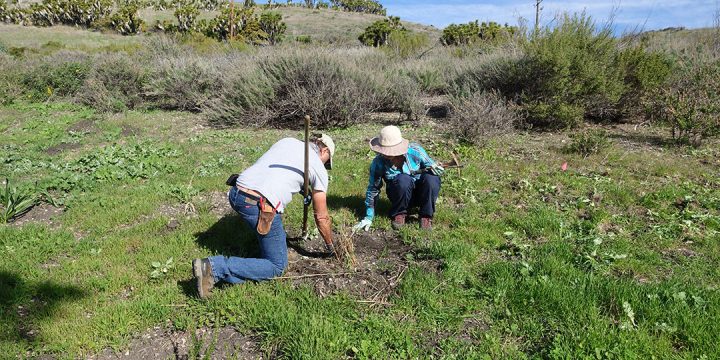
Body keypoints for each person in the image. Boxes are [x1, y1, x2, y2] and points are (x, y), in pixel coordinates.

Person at [192, 134, 336, 299]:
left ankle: (234, 266)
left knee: (274, 238)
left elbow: (275, 172)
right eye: (327, 160)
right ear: (324, 150)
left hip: (236, 192)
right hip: (257, 204)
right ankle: (214, 267)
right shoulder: (318, 166)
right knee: (276, 266)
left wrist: (305, 187)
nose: (325, 165)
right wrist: (330, 246)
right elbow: (321, 216)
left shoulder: (287, 141)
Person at [353, 125, 443, 232]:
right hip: (398, 195)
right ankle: (399, 213)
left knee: (432, 178)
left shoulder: (415, 151)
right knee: (403, 180)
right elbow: (373, 189)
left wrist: (436, 169)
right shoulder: (378, 163)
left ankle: (426, 216)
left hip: (422, 195)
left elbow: (432, 166)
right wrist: (369, 216)